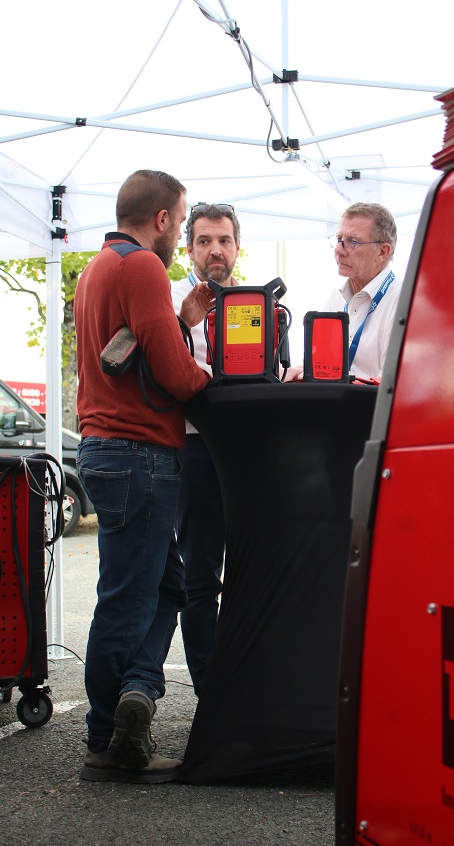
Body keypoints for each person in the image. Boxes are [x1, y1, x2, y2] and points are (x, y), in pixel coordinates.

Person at [74, 169, 214, 785]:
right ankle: (107, 739)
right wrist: (214, 377)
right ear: (162, 220)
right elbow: (176, 374)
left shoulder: (98, 267)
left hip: (108, 447)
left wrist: (180, 317)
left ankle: (135, 695)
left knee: (164, 588)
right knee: (128, 601)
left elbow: (135, 350)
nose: (180, 231)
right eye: (181, 221)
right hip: (141, 454)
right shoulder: (143, 267)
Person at [170, 202, 240, 695]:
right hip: (192, 453)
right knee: (200, 580)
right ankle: (208, 691)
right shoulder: (172, 301)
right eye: (204, 241)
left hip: (247, 457)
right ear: (188, 246)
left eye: (224, 240)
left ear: (237, 247)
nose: (215, 250)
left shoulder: (259, 305)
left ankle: (245, 683)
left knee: (252, 570)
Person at [287, 202, 401, 381]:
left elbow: (390, 386)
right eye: (339, 239)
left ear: (382, 252)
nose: (339, 250)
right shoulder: (337, 298)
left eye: (352, 242)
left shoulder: (402, 301)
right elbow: (323, 364)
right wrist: (300, 371)